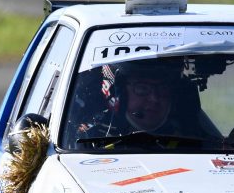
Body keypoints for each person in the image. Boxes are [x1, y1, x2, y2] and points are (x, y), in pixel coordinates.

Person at [71, 59, 211, 139]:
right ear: (119, 93)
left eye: (162, 88)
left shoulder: (196, 137)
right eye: (142, 89)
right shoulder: (87, 140)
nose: (155, 98)